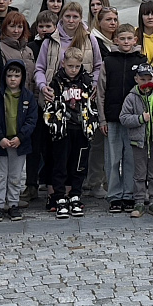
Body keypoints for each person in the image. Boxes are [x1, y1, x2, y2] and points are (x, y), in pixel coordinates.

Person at [45, 46, 99, 218]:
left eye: (77, 66)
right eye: (70, 66)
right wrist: (53, 125)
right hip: (63, 129)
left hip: (81, 129)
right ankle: (59, 197)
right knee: (60, 164)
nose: (73, 70)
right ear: (63, 64)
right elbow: (50, 107)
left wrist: (91, 125)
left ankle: (75, 194)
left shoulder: (87, 81)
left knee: (79, 164)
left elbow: (92, 105)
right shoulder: (57, 81)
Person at [0, 60, 38, 223]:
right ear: (4, 77)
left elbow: (31, 120)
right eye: (9, 76)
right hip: (0, 143)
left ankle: (13, 204)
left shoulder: (28, 97)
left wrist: (20, 137)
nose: (13, 79)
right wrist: (0, 137)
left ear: (22, 77)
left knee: (15, 176)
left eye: (16, 76)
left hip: (19, 143)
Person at [102, 24, 147, 213]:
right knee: (112, 159)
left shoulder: (141, 60)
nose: (126, 42)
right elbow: (101, 91)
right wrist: (102, 119)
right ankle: (114, 196)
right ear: (116, 40)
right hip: (112, 117)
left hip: (133, 120)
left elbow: (147, 88)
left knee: (130, 158)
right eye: (122, 39)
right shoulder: (109, 60)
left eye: (129, 38)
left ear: (135, 40)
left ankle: (129, 194)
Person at [120, 62, 153, 218]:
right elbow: (123, 118)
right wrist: (139, 119)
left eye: (148, 79)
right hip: (139, 142)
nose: (146, 82)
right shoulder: (131, 97)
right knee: (139, 173)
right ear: (136, 79)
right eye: (142, 79)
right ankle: (138, 201)